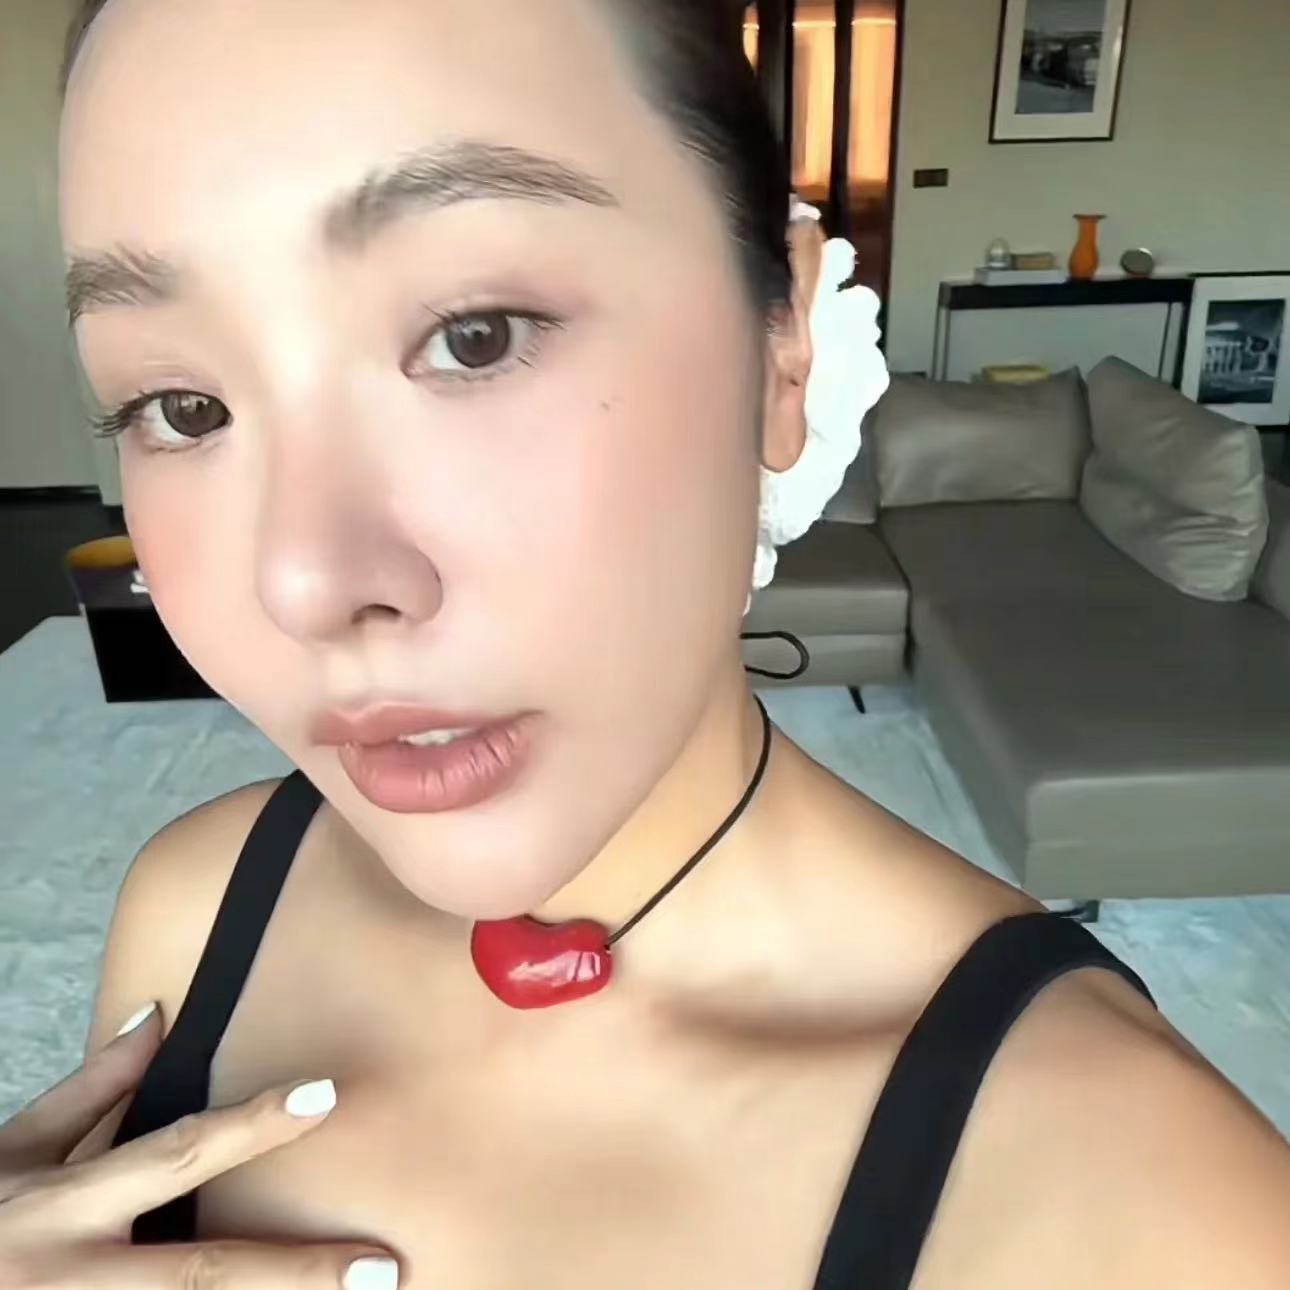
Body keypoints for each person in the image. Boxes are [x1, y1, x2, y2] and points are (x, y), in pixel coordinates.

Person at [2, 1, 1287, 1287]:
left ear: (784, 344)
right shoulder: (189, 912)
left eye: (475, 336)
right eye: (182, 406)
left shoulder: (1148, 1210)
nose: (305, 582)